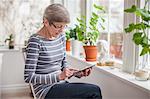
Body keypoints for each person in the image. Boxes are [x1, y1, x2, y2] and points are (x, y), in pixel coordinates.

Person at [24, 4, 102, 99]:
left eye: (64, 26)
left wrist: (77, 73)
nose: (61, 30)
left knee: (90, 93)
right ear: (46, 22)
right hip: (46, 90)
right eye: (58, 26)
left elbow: (63, 65)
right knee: (94, 91)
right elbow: (28, 77)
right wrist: (58, 77)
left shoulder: (61, 37)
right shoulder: (35, 41)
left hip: (61, 84)